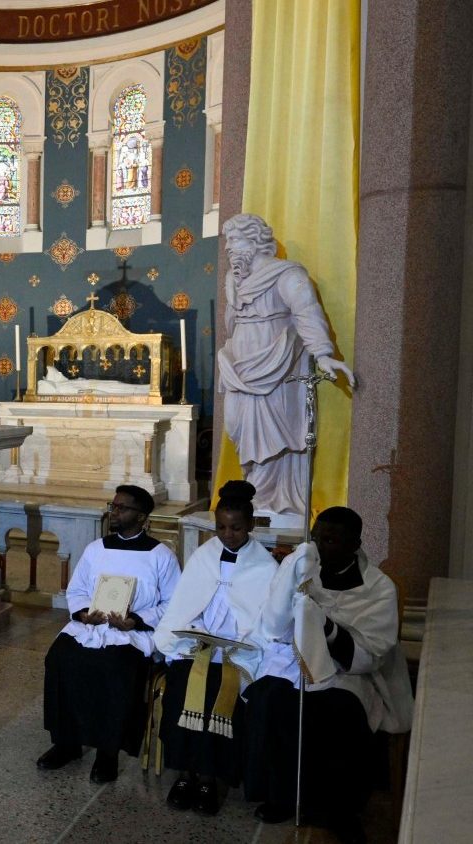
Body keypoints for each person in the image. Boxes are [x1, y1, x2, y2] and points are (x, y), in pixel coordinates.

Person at [243, 507, 413, 844]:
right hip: (294, 661)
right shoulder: (303, 570)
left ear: (355, 544)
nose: (319, 546)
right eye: (316, 536)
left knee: (338, 709)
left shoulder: (378, 587)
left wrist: (328, 627)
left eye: (331, 539)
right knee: (269, 698)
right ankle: (281, 795)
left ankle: (338, 809)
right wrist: (290, 583)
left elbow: (371, 654)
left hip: (347, 671)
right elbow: (273, 627)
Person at [38, 484, 180, 783]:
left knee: (115, 667)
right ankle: (66, 742)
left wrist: (137, 620)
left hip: (131, 633)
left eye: (121, 508)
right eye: (112, 506)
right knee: (60, 658)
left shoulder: (160, 555)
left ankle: (107, 751)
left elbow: (172, 603)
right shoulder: (96, 548)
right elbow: (76, 589)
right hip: (91, 626)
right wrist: (83, 613)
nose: (113, 512)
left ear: (142, 517)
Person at [153, 480, 278, 815]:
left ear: (251, 525)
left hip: (239, 651)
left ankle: (210, 778)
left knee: (218, 689)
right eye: (221, 527)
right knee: (181, 685)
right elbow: (184, 605)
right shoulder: (203, 556)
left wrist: (239, 641)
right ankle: (183, 774)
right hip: (196, 644)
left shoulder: (266, 567)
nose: (227, 534)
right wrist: (194, 632)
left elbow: (265, 623)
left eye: (236, 528)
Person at [217, 214, 355, 517]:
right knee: (237, 427)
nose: (229, 249)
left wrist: (322, 353)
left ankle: (273, 502)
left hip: (276, 366)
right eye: (228, 243)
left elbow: (306, 312)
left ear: (255, 243)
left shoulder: (287, 275)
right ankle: (255, 494)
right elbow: (232, 323)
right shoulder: (233, 279)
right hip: (239, 366)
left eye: (235, 241)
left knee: (273, 436)